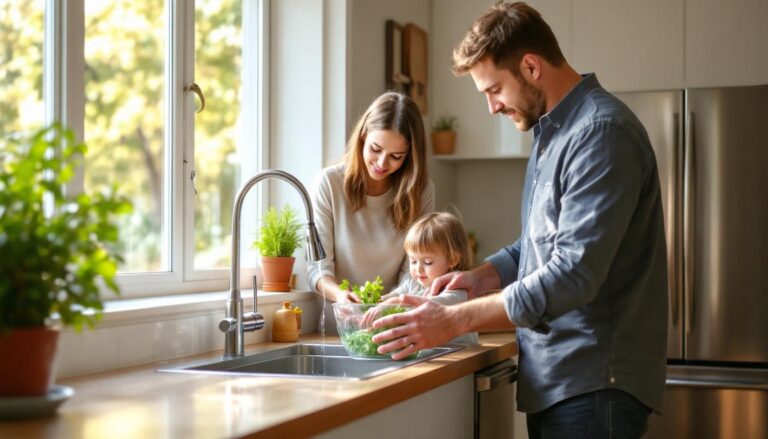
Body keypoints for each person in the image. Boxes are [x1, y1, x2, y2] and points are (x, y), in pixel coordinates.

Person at [371, 3, 667, 438]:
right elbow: (536, 246)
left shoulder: (601, 133)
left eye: (493, 90)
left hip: (594, 387)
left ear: (530, 66)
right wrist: (480, 277)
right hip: (561, 382)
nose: (491, 107)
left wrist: (453, 319)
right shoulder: (552, 135)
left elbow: (574, 274)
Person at [307, 91, 434, 335]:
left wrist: (386, 306)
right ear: (363, 136)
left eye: (396, 157)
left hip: (395, 326)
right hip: (339, 331)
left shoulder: (422, 190)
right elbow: (318, 269)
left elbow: (416, 271)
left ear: (409, 157)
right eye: (376, 149)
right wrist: (341, 296)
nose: (382, 163)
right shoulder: (329, 183)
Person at [379, 212, 478, 345]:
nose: (418, 269)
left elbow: (431, 305)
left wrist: (396, 302)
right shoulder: (412, 283)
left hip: (461, 355)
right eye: (413, 261)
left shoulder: (458, 289)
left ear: (452, 259)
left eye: (427, 262)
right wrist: (372, 303)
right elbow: (390, 297)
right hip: (429, 352)